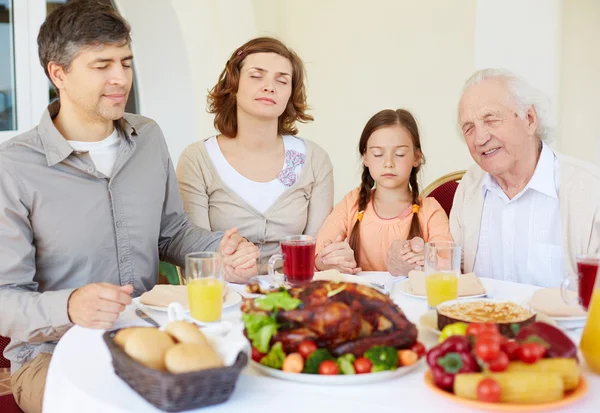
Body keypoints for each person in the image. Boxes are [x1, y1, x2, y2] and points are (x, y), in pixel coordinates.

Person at [0, 2, 257, 412]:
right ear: (57, 73)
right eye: (102, 65)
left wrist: (219, 252)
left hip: (148, 335)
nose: (120, 78)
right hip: (51, 353)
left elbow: (172, 233)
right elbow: (4, 298)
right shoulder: (13, 166)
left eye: (126, 62)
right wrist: (70, 306)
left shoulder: (149, 137)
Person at [176, 37, 334, 274]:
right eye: (256, 75)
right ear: (234, 83)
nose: (269, 86)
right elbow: (196, 251)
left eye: (282, 80)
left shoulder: (314, 159)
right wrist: (229, 268)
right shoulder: (197, 159)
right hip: (223, 296)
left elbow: (314, 253)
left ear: (291, 94)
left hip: (293, 296)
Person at [451, 68, 600, 287]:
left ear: (529, 119)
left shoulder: (588, 189)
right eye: (469, 128)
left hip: (564, 321)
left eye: (490, 120)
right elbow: (451, 270)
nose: (480, 138)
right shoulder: (470, 186)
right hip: (481, 321)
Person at [315, 109, 453, 274]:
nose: (388, 163)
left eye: (400, 154)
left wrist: (428, 261)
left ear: (417, 157)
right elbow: (316, 256)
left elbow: (450, 265)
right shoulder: (351, 203)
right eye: (378, 154)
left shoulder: (430, 210)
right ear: (365, 157)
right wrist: (332, 261)